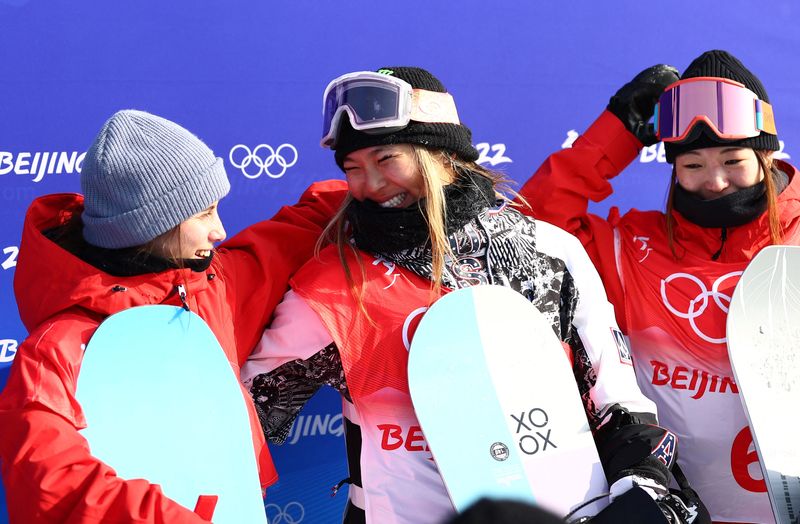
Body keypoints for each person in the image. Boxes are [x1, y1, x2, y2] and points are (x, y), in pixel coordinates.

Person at [242, 67, 706, 524]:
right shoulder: (336, 287)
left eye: (387, 160)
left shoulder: (547, 252)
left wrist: (643, 484)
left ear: (442, 155)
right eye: (352, 168)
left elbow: (615, 398)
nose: (371, 184)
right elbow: (243, 417)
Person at [0, 109, 346, 523]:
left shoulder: (214, 286)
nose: (220, 230)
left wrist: (400, 172)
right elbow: (51, 482)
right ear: (150, 225)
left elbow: (308, 225)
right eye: (203, 213)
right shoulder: (61, 347)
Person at [520, 50, 799, 523]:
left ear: (766, 154)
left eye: (733, 160)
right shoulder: (630, 247)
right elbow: (525, 237)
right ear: (671, 166)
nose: (715, 182)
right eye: (692, 165)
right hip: (668, 504)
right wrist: (614, 136)